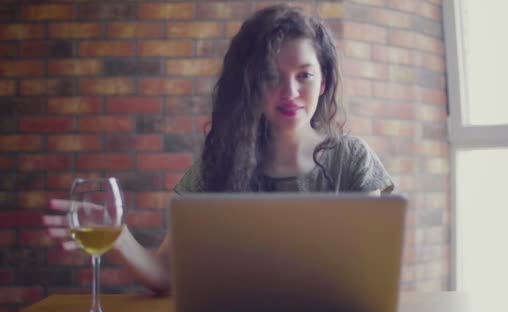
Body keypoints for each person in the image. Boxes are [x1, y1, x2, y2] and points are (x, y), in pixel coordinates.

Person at [43, 5, 394, 294]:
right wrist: (118, 237)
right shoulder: (220, 161)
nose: (289, 91)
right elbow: (166, 274)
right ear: (251, 85)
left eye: (304, 75)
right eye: (271, 76)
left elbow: (371, 275)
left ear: (324, 83)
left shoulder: (353, 159)